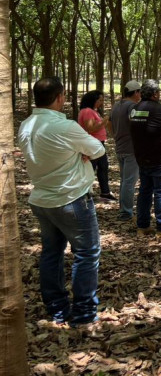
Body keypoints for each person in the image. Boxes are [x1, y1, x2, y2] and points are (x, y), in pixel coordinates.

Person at [18, 77, 107, 327]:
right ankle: (84, 314)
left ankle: (57, 308)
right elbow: (98, 149)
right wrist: (81, 152)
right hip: (71, 199)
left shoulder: (26, 125)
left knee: (51, 252)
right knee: (86, 253)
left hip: (42, 199)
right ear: (60, 97)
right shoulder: (65, 126)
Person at [129, 80, 161, 237]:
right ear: (154, 94)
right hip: (159, 158)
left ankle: (142, 226)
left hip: (142, 157)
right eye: (158, 92)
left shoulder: (135, 109)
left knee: (145, 191)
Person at [108, 80, 141, 220]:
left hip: (120, 147)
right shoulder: (132, 106)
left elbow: (109, 122)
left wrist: (115, 135)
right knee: (129, 182)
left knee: (124, 180)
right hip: (131, 149)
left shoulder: (117, 105)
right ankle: (126, 212)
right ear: (135, 93)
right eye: (139, 92)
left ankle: (123, 209)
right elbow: (137, 124)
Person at [78, 90, 115, 202]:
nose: (101, 103)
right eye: (99, 100)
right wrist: (104, 121)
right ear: (92, 100)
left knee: (103, 167)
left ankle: (105, 192)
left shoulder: (93, 111)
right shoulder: (87, 111)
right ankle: (85, 193)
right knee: (91, 168)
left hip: (98, 144)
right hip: (92, 144)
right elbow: (90, 128)